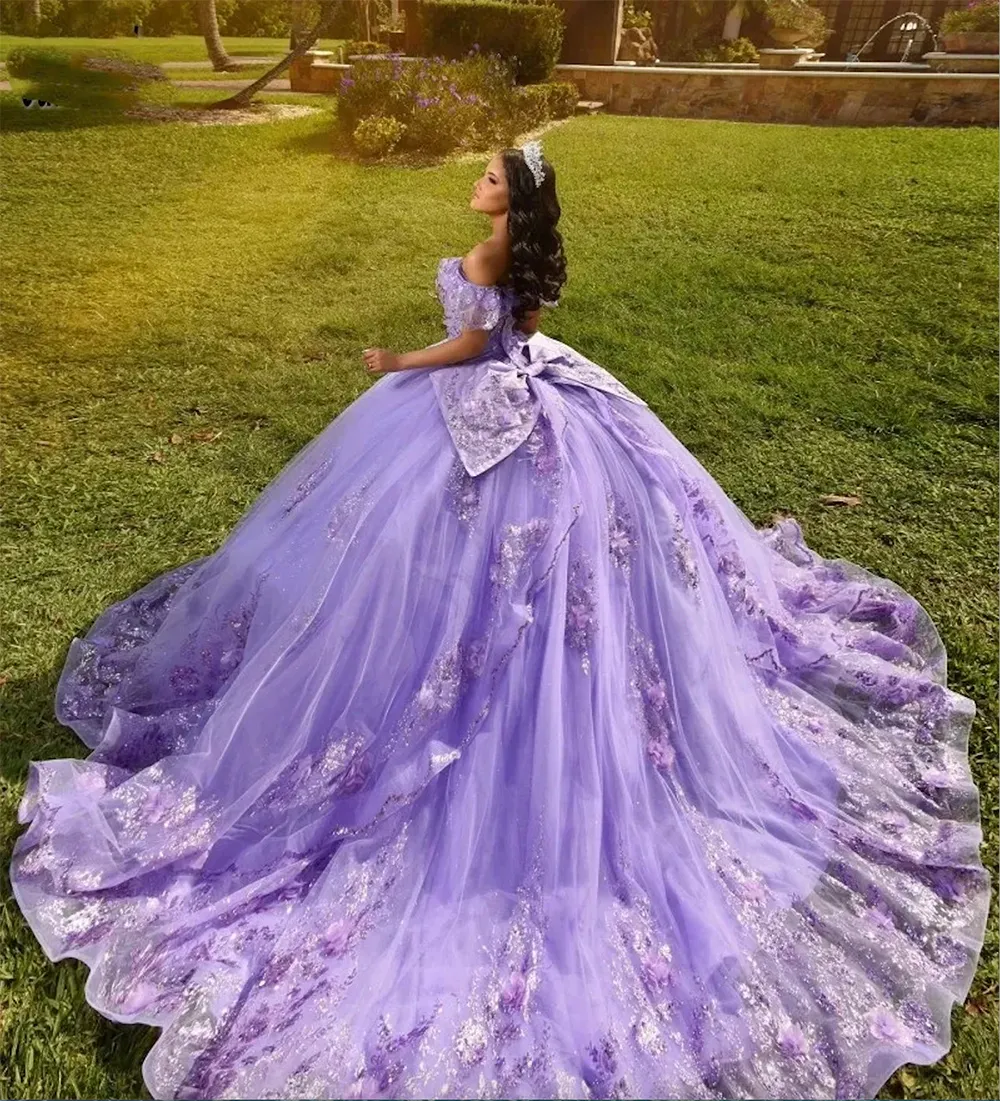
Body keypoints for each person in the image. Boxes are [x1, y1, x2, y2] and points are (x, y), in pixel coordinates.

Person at [9, 141, 990, 1101]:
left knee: (458, 568)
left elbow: (475, 347)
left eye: (485, 176)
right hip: (531, 396)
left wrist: (399, 357)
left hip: (482, 406)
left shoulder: (488, 258)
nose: (472, 184)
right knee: (499, 569)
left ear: (508, 200)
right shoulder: (526, 257)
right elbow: (516, 332)